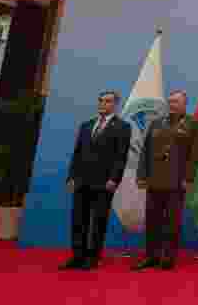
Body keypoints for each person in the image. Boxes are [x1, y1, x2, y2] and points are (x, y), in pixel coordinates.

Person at [133, 90, 198, 271]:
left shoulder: (193, 124)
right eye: (170, 102)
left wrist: (188, 178)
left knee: (172, 222)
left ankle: (168, 258)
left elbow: (196, 154)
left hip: (176, 180)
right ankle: (151, 256)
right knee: (152, 221)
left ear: (184, 104)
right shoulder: (157, 123)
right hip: (154, 179)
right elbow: (145, 151)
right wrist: (142, 175)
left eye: (176, 102)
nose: (172, 105)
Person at [60, 91, 131, 271]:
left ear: (115, 105)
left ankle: (93, 257)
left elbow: (120, 157)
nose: (102, 104)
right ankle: (77, 256)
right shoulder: (86, 125)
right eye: (100, 101)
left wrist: (114, 179)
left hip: (104, 182)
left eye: (107, 101)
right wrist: (71, 177)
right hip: (81, 180)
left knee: (98, 221)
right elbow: (77, 154)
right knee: (78, 220)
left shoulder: (123, 127)